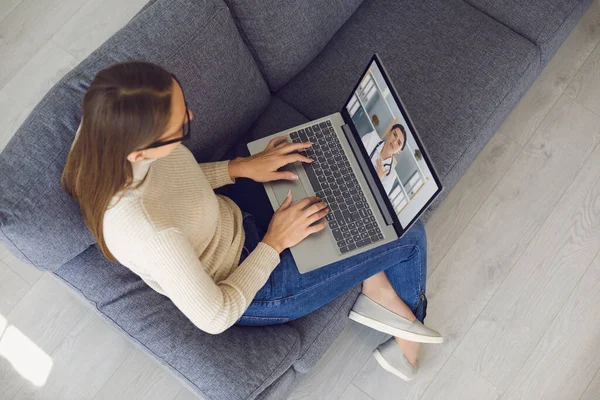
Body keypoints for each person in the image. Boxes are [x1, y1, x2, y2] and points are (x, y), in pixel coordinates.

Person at [62, 61, 442, 381]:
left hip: (231, 212)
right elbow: (217, 315)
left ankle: (371, 280)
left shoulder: (102, 129)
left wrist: (240, 167)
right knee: (406, 231)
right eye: (182, 128)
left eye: (184, 106)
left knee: (337, 179)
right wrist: (275, 242)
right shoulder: (148, 233)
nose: (191, 118)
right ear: (140, 152)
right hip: (248, 283)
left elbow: (177, 187)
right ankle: (406, 320)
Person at [361, 124, 407, 194]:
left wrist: (378, 179)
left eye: (398, 143)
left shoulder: (391, 175)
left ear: (399, 151)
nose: (394, 142)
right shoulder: (372, 138)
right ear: (389, 131)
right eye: (394, 134)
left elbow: (377, 197)